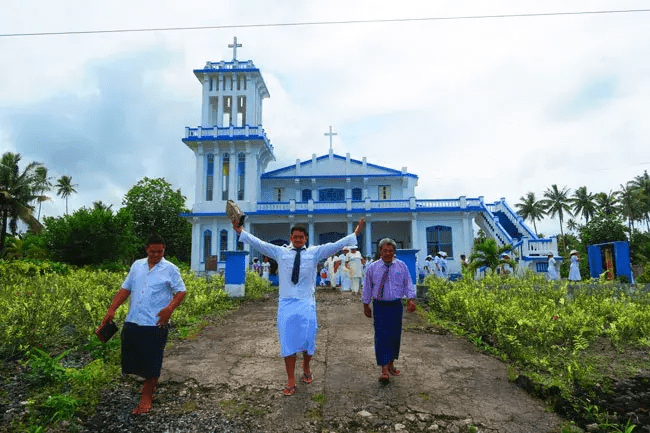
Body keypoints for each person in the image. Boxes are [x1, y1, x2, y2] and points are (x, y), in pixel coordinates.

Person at [233, 217, 364, 396]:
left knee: (309, 339)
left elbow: (335, 245)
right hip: (286, 303)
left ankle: (306, 365)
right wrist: (240, 231)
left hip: (306, 302)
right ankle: (290, 379)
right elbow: (260, 243)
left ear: (306, 238)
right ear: (290, 237)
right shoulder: (281, 252)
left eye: (301, 237)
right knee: (288, 341)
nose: (297, 239)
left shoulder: (314, 252)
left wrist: (354, 235)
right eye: (295, 236)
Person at [101, 234, 186, 414]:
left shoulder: (171, 269)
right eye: (153, 251)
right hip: (133, 320)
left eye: (160, 252)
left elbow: (181, 292)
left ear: (164, 250)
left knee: (152, 360)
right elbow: (126, 289)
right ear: (147, 249)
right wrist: (112, 309)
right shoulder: (137, 266)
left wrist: (169, 309)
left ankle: (147, 397)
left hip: (155, 323)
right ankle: (144, 384)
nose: (156, 255)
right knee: (132, 358)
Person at [362, 238, 417, 383]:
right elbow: (367, 287)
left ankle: (391, 364)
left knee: (394, 336)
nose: (387, 253)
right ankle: (384, 369)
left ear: (394, 252)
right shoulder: (372, 268)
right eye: (385, 251)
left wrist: (411, 300)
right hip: (380, 306)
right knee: (381, 336)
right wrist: (366, 305)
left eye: (390, 251)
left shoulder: (401, 266)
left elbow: (408, 284)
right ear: (380, 251)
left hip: (395, 306)